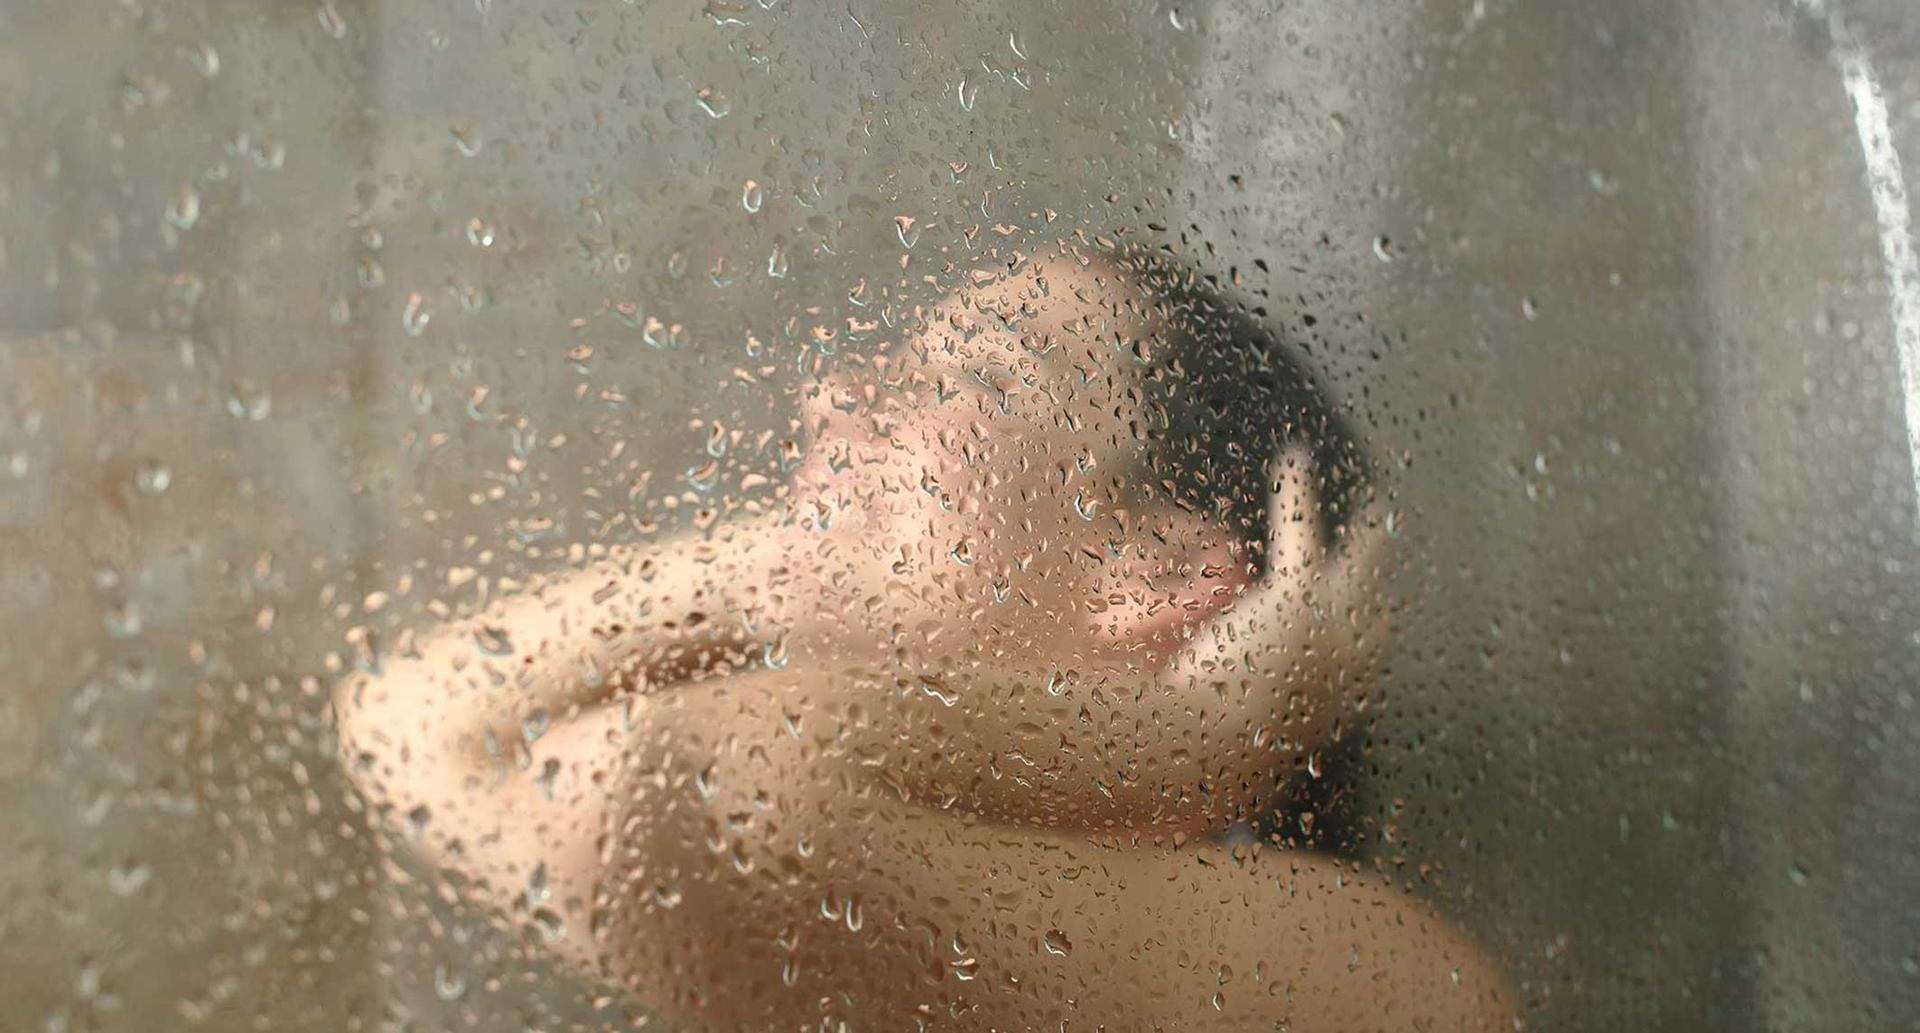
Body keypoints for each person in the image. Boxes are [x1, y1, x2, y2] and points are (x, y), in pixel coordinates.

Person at [335, 242, 1513, 1030]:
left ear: (1167, 569)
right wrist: (786, 558)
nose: (829, 397)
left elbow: (666, 799)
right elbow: (404, 727)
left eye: (971, 379)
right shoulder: (880, 893)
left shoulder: (1372, 978)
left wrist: (1197, 737)